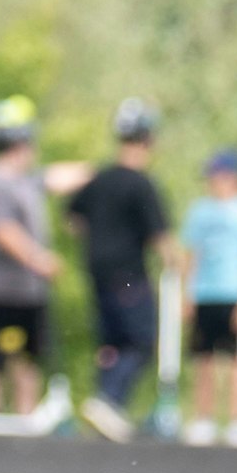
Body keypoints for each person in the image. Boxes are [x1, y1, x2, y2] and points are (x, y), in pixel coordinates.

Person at [65, 98, 174, 442]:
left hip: (95, 269)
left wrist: (98, 235)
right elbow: (161, 237)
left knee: (111, 340)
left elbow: (72, 220)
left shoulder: (98, 179)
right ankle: (108, 400)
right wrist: (177, 263)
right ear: (148, 140)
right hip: (127, 271)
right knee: (141, 340)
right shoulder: (141, 184)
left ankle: (105, 406)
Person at [0, 97, 60, 414]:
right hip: (5, 287)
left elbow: (57, 177)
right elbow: (2, 230)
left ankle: (25, 413)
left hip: (29, 289)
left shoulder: (24, 179)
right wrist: (38, 259)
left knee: (29, 355)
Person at [178, 148, 237, 447]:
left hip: (236, 293)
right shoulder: (199, 212)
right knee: (203, 359)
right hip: (205, 293)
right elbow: (191, 255)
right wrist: (186, 294)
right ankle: (203, 418)